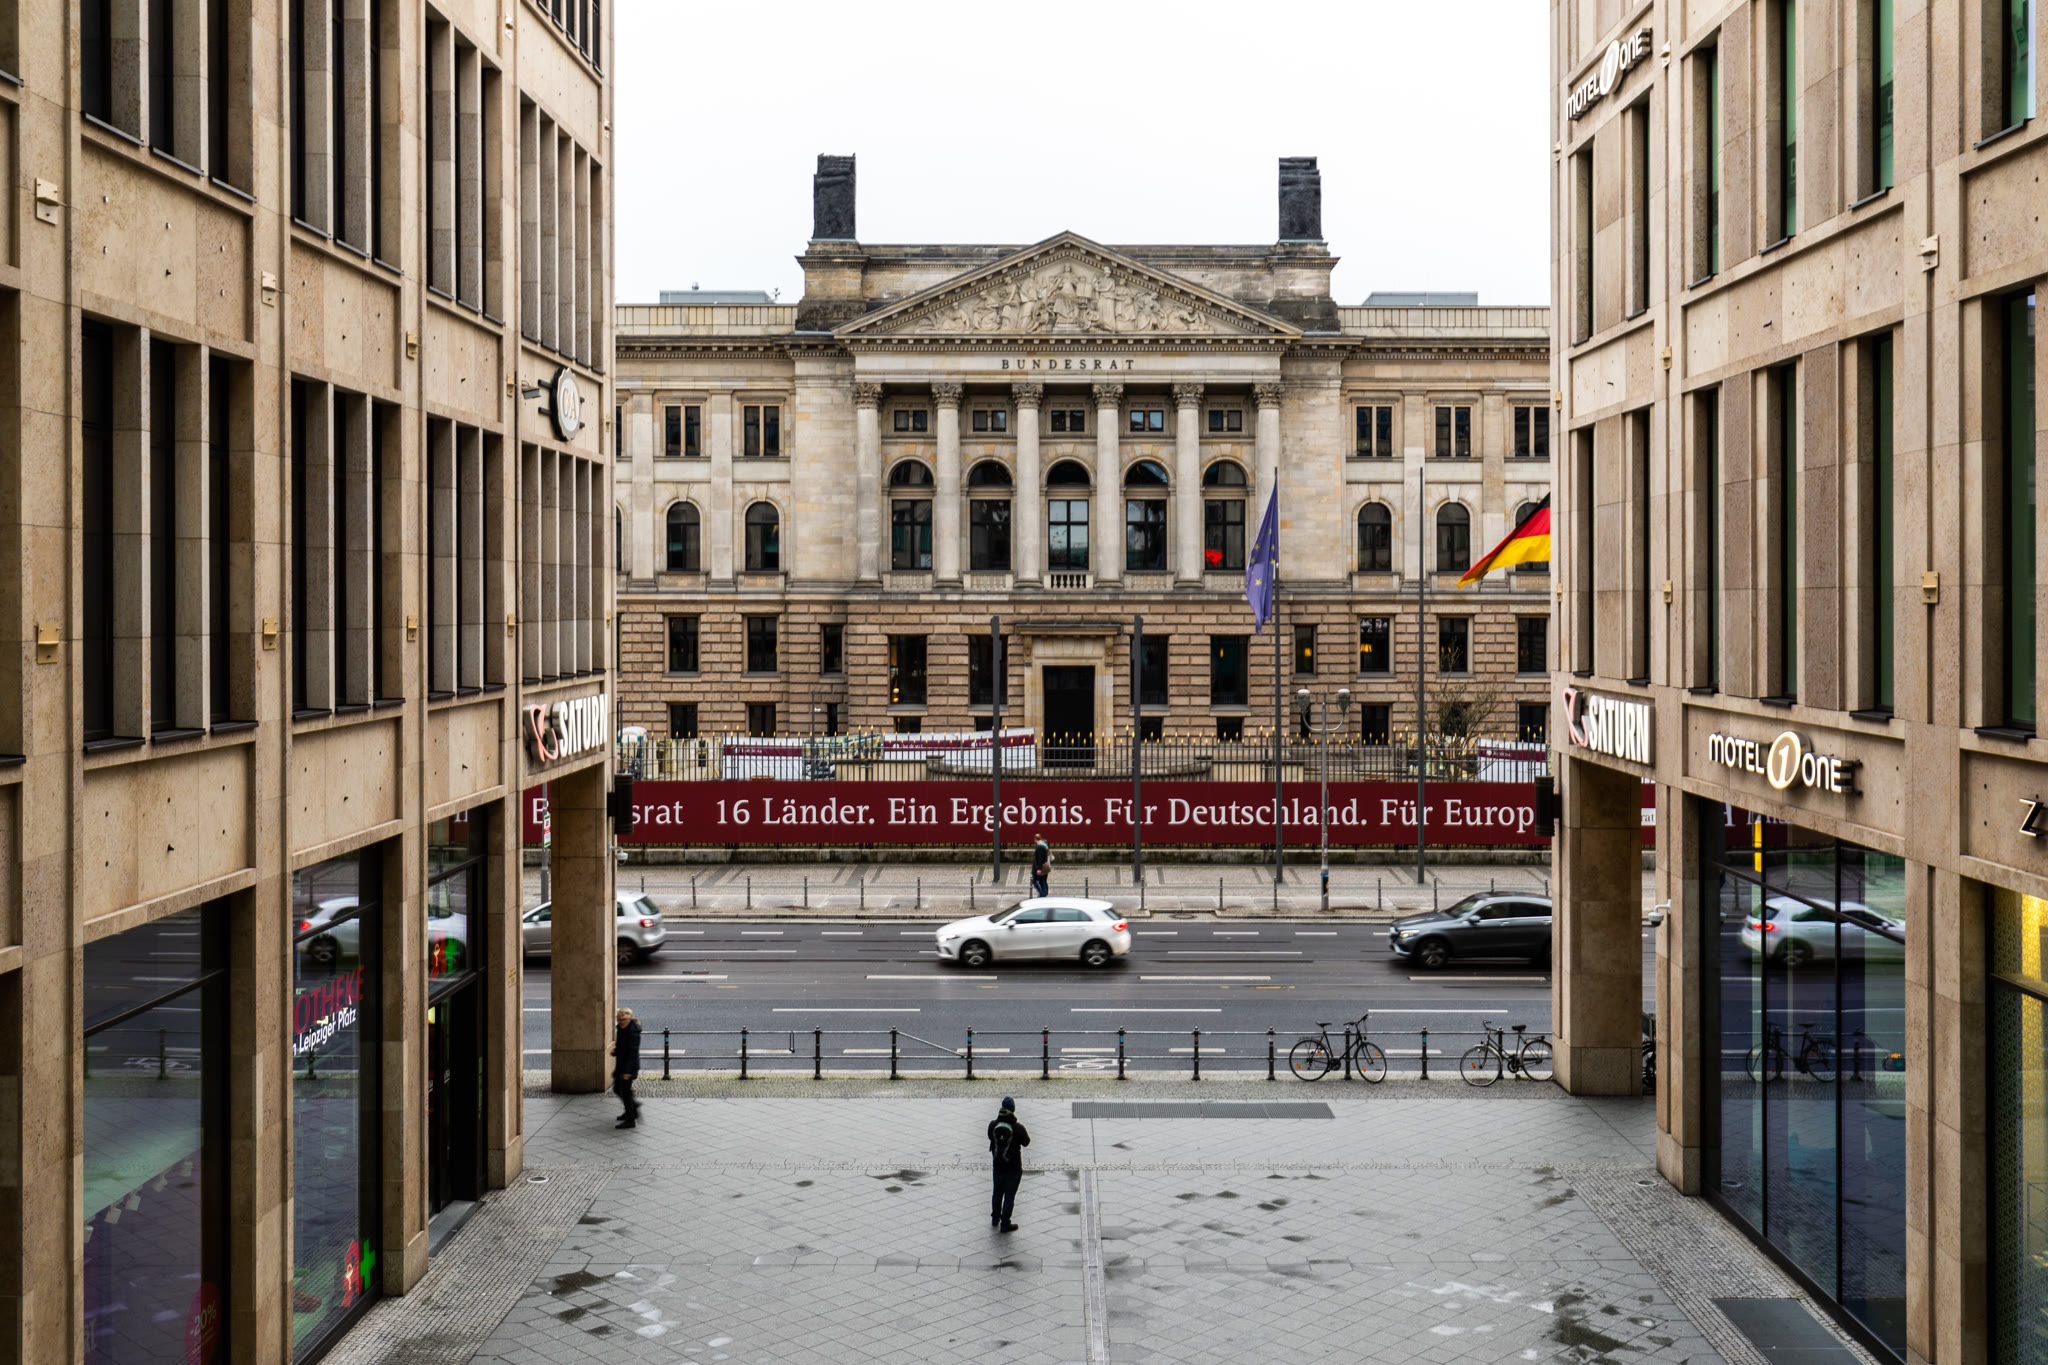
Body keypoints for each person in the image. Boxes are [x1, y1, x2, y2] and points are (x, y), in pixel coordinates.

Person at [988, 1096, 1030, 1231]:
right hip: (1013, 1167)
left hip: (998, 1166)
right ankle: (1005, 1223)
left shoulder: (993, 1125)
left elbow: (990, 1137)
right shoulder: (1017, 1127)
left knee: (997, 1193)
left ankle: (995, 1218)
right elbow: (1026, 1142)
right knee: (1009, 1196)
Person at [612, 1007, 642, 1129]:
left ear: (629, 1018)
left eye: (624, 1018)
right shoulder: (621, 1028)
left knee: (625, 1091)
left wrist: (628, 1072)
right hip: (621, 1064)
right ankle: (632, 1108)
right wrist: (616, 1051)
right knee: (618, 1089)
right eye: (620, 1018)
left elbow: (632, 1052)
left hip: (629, 1067)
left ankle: (630, 1119)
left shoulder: (633, 1031)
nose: (622, 1020)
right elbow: (622, 1046)